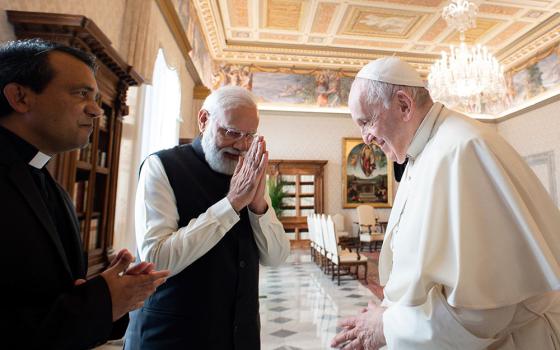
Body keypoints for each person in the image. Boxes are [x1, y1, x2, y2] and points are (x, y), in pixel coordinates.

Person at [332, 57, 560, 349]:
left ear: (403, 105)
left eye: (366, 122)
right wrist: (390, 313)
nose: (366, 138)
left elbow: (485, 310)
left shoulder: (462, 149)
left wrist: (388, 326)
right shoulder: (421, 153)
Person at [0, 39, 170, 349]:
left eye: (96, 97)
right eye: (81, 94)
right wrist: (102, 301)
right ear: (20, 97)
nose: (95, 109)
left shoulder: (48, 182)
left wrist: (106, 292)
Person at [125, 85, 291, 349]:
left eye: (249, 136)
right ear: (204, 120)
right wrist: (232, 203)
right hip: (173, 335)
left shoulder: (249, 173)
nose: (241, 145)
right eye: (231, 132)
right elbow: (156, 260)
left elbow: (276, 257)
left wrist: (259, 206)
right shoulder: (161, 167)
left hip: (240, 336)